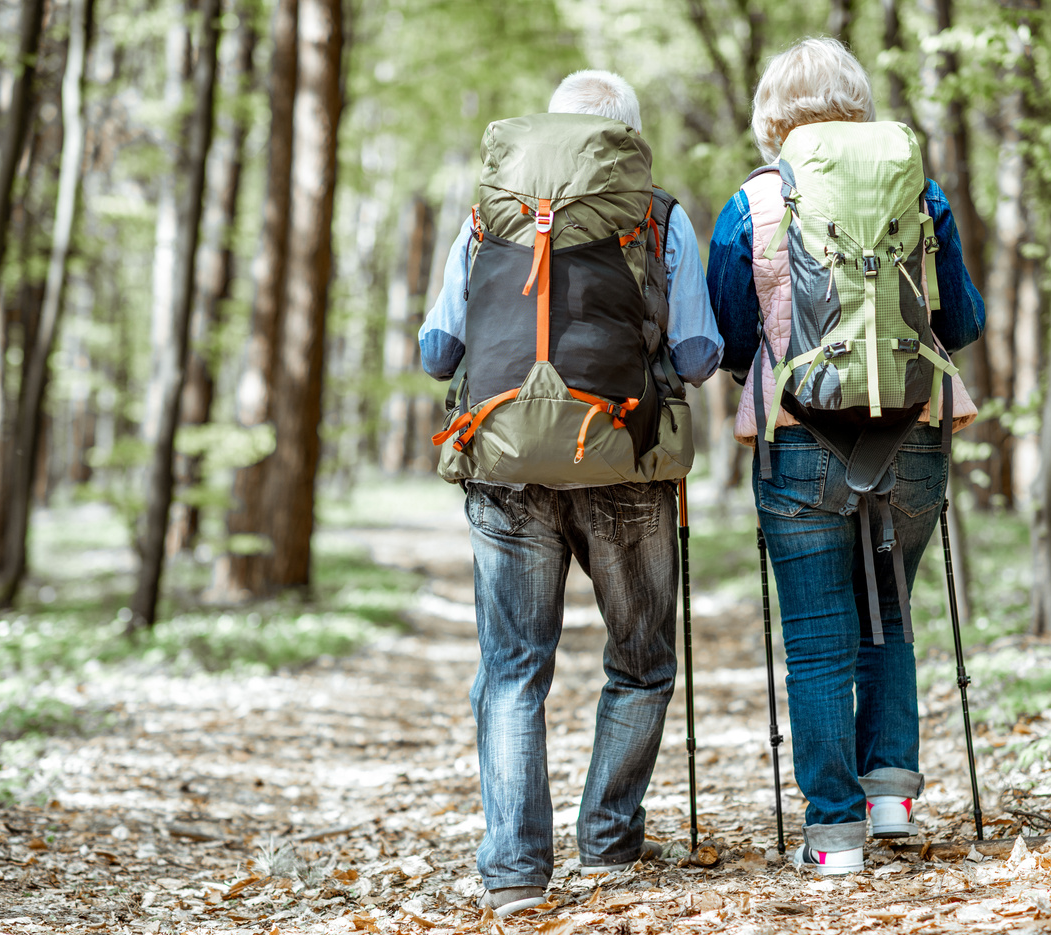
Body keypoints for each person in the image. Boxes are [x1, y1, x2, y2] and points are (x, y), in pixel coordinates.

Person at [420, 70, 723, 915]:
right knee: (641, 658)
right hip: (624, 456)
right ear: (625, 142)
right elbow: (698, 354)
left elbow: (438, 350)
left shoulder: (490, 214)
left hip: (506, 462)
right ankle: (608, 844)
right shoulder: (658, 215)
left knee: (513, 670)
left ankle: (516, 870)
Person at [706, 38, 985, 876]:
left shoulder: (753, 202)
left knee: (821, 635)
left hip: (799, 438)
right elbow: (961, 320)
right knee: (890, 607)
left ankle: (835, 835)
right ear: (858, 102)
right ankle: (893, 789)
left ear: (770, 117)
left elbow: (728, 336)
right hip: (915, 428)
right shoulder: (920, 189)